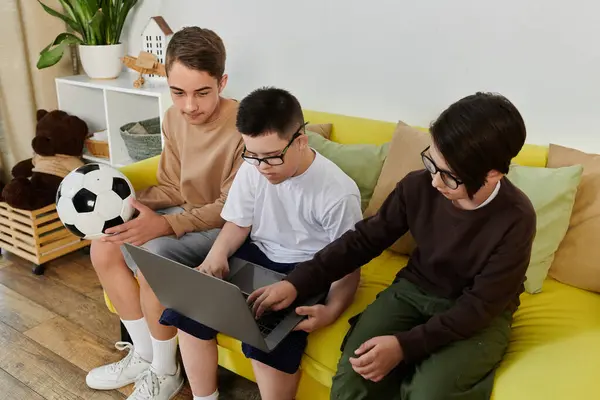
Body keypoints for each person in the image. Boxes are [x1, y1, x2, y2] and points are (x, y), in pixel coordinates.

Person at [249, 92, 537, 400]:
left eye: (450, 176)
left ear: (493, 173)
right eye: (432, 162)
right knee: (355, 375)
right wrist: (296, 283)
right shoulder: (418, 186)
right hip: (414, 290)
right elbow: (363, 240)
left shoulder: (516, 219)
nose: (436, 182)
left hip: (479, 315)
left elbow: (480, 307)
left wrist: (404, 346)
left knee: (429, 393)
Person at [158, 87, 364, 400]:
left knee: (267, 338)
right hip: (258, 253)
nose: (263, 167)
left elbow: (347, 266)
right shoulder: (253, 168)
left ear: (301, 141)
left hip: (309, 268)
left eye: (272, 157)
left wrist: (332, 310)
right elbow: (238, 223)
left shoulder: (337, 193)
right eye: (252, 155)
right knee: (189, 309)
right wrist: (216, 256)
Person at [85, 27, 244, 400]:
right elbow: (172, 185)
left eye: (202, 92)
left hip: (225, 227)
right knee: (104, 244)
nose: (189, 106)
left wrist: (166, 224)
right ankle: (143, 355)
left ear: (222, 82)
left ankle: (166, 370)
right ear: (167, 82)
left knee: (153, 257)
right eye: (178, 92)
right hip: (185, 214)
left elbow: (232, 208)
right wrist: (124, 205)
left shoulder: (242, 127)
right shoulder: (173, 118)